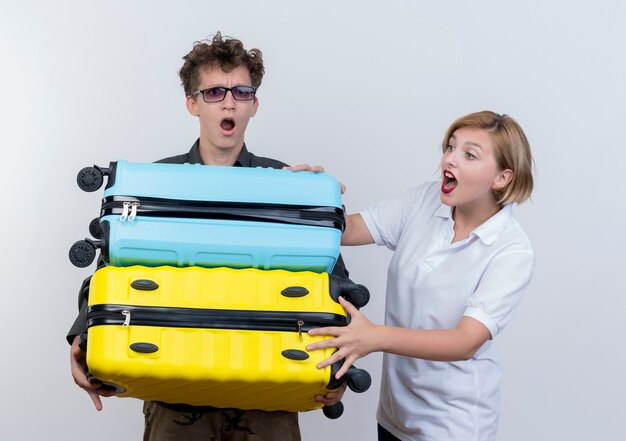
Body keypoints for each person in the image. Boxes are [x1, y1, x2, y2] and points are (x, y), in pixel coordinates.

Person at [67, 32, 349, 441]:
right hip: (174, 394)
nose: (229, 101)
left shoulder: (290, 183)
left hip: (271, 391)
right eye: (215, 91)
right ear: (192, 103)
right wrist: (81, 336)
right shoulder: (154, 182)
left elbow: (333, 280)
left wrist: (340, 367)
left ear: (254, 104)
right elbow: (110, 269)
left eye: (241, 91)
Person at [298, 110, 535, 440]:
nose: (450, 159)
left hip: (454, 425)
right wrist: (309, 194)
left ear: (502, 178)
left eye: (469, 154)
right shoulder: (425, 200)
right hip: (396, 415)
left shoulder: (511, 250)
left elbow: (465, 341)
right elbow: (348, 229)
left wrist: (375, 337)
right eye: (450, 147)